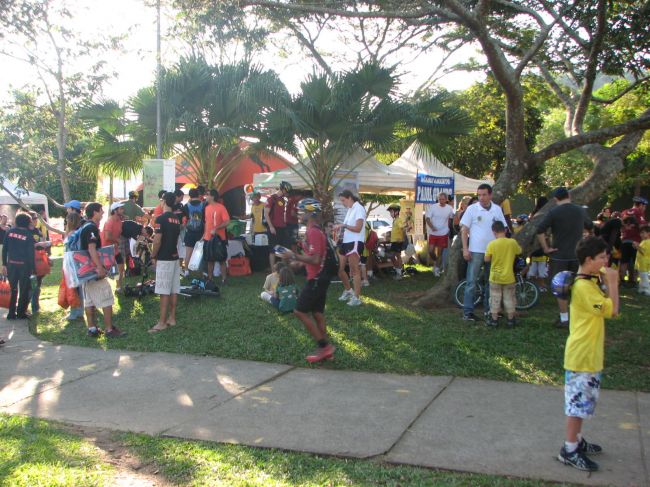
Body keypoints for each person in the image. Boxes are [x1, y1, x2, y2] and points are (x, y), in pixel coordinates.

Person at [557, 236, 619, 472]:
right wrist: (613, 283)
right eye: (602, 257)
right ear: (589, 259)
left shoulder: (588, 281)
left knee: (583, 403)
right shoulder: (583, 287)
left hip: (590, 354)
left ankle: (578, 439)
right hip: (581, 356)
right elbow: (613, 311)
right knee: (576, 406)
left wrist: (603, 281)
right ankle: (569, 449)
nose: (607, 260)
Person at [278, 198, 336, 362]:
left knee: (299, 311)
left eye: (301, 211)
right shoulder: (314, 230)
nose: (298, 214)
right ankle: (327, 352)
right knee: (317, 313)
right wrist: (297, 262)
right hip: (319, 277)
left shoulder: (313, 232)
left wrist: (294, 255)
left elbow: (316, 259)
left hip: (316, 279)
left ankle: (324, 347)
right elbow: (313, 257)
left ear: (310, 213)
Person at [536, 187, 594, 328]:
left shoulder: (554, 212)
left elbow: (539, 230)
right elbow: (590, 227)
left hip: (559, 255)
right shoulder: (580, 210)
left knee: (561, 287)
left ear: (556, 199)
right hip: (578, 255)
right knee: (578, 286)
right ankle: (578, 316)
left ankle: (564, 318)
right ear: (569, 195)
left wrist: (546, 248)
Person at [460, 184, 507, 322]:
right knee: (471, 282)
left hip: (493, 252)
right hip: (475, 251)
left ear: (490, 195)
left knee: (491, 282)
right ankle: (468, 312)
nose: (481, 198)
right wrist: (465, 248)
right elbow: (464, 230)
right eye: (479, 195)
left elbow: (502, 230)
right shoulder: (472, 209)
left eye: (484, 194)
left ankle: (489, 311)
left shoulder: (497, 210)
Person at [80, 203, 125, 338]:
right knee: (106, 298)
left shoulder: (85, 226)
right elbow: (91, 248)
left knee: (89, 300)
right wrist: (99, 267)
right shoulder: (92, 228)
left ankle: (92, 329)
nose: (103, 213)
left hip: (85, 270)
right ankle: (109, 329)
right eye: (101, 211)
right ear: (94, 212)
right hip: (94, 270)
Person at [149, 192, 182, 333]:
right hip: (174, 257)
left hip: (164, 258)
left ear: (164, 202)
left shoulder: (161, 219)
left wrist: (153, 255)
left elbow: (157, 240)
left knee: (164, 292)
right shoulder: (176, 219)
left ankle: (162, 322)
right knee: (174, 289)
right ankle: (171, 318)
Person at [484, 220, 522, 327]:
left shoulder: (491, 244)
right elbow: (519, 251)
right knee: (509, 298)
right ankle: (510, 320)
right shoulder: (512, 242)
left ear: (493, 232)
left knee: (495, 298)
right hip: (509, 276)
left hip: (495, 276)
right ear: (505, 230)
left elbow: (486, 259)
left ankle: (494, 320)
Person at [335, 189, 366, 307]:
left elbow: (358, 228)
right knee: (340, 269)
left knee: (354, 270)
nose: (343, 203)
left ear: (349, 198)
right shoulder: (350, 209)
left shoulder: (359, 208)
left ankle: (356, 297)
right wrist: (340, 232)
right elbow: (348, 227)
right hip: (346, 242)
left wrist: (344, 225)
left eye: (343, 200)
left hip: (355, 242)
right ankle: (349, 291)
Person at [1, 213, 35, 320]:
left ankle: (11, 313)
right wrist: (32, 268)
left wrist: (4, 264)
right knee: (24, 289)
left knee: (13, 289)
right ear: (27, 222)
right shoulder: (28, 235)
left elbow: (5, 249)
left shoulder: (9, 232)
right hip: (24, 266)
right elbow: (31, 253)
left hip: (11, 265)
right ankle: (21, 313)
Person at [203, 189, 230, 285]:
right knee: (209, 259)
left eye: (207, 194)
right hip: (208, 238)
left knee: (221, 259)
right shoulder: (206, 208)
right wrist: (204, 235)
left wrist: (217, 228)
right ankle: (210, 279)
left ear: (213, 196)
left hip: (219, 238)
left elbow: (227, 221)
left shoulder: (221, 207)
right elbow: (207, 222)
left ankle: (224, 279)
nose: (206, 196)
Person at [619, 196, 647, 286]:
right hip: (635, 241)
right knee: (636, 262)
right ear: (641, 205)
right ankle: (633, 281)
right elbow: (642, 226)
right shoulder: (639, 212)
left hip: (624, 240)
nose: (644, 208)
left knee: (624, 262)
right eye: (644, 206)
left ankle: (621, 280)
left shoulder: (624, 212)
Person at [425, 193, 454, 277]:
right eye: (439, 199)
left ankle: (437, 269)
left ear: (446, 200)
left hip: (443, 233)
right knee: (430, 251)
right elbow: (427, 218)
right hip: (433, 233)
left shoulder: (449, 208)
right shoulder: (433, 207)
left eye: (442, 199)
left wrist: (451, 230)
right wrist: (432, 227)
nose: (441, 201)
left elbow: (452, 219)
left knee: (440, 253)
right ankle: (436, 262)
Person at [265, 181, 291, 268]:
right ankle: (273, 271)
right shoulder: (271, 199)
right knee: (273, 250)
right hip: (274, 227)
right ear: (283, 189)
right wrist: (271, 227)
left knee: (283, 250)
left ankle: (283, 271)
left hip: (282, 228)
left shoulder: (283, 200)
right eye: (287, 192)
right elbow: (266, 214)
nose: (287, 194)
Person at [64, 212, 85, 321]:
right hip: (73, 262)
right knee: (76, 287)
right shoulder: (74, 233)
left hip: (73, 263)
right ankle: (79, 310)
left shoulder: (74, 233)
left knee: (74, 288)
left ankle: (75, 311)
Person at [102, 201, 125, 292]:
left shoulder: (119, 221)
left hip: (114, 249)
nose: (123, 210)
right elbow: (107, 237)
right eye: (121, 209)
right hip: (106, 249)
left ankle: (118, 287)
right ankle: (105, 288)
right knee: (109, 271)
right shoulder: (110, 221)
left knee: (121, 267)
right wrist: (117, 240)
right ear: (115, 211)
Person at [182, 188, 205, 276]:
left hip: (190, 232)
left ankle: (186, 270)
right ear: (198, 194)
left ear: (190, 195)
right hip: (201, 232)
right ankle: (201, 272)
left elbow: (184, 220)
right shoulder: (203, 205)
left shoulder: (186, 206)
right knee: (201, 252)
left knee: (188, 252)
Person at [387, 203, 408, 280]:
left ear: (396, 212)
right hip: (394, 241)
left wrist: (406, 226)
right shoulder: (395, 220)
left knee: (396, 256)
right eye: (390, 212)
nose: (390, 214)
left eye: (391, 212)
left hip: (397, 241)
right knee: (393, 256)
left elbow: (401, 226)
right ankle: (398, 271)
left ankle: (399, 273)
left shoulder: (398, 220)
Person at [633, 225, 650, 295]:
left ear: (649, 233)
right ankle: (642, 289)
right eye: (641, 233)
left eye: (643, 233)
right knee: (642, 276)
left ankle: (647, 290)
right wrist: (637, 247)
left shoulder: (648, 242)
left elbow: (644, 252)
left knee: (644, 276)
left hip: (645, 263)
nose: (641, 234)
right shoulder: (644, 241)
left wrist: (637, 247)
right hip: (641, 263)